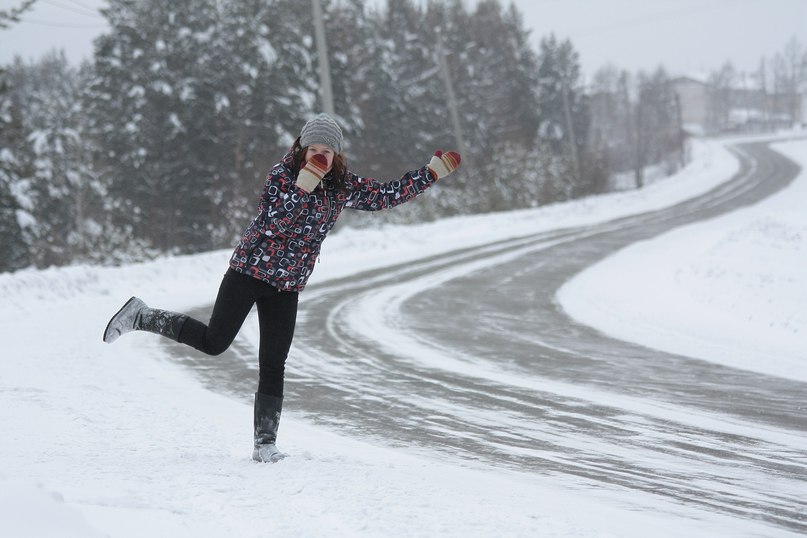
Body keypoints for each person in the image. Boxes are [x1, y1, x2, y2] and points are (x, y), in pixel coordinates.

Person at [103, 113, 461, 462]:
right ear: (302, 149)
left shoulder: (341, 186)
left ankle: (264, 444)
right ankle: (142, 316)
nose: (320, 155)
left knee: (274, 363)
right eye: (313, 148)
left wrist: (429, 173)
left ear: (337, 155)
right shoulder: (281, 175)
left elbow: (385, 195)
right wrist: (301, 188)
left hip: (286, 286)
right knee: (214, 343)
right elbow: (274, 222)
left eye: (328, 150)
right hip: (248, 273)